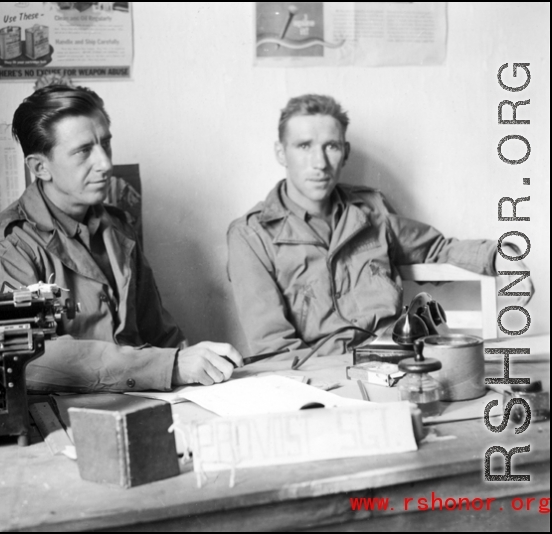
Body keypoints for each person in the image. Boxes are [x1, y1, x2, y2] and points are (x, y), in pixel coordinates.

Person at [0, 85, 242, 393]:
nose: (105, 163)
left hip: (140, 404)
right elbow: (23, 356)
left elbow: (161, 337)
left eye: (105, 144)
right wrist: (169, 366)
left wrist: (203, 371)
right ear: (40, 167)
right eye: (83, 151)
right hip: (55, 420)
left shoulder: (118, 228)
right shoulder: (1, 248)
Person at [227, 94, 532, 357]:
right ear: (281, 152)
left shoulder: (371, 210)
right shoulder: (251, 235)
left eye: (330, 146)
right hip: (320, 381)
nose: (319, 163)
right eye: (304, 146)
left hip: (398, 362)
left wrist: (500, 257)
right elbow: (275, 349)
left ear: (345, 153)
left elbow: (436, 248)